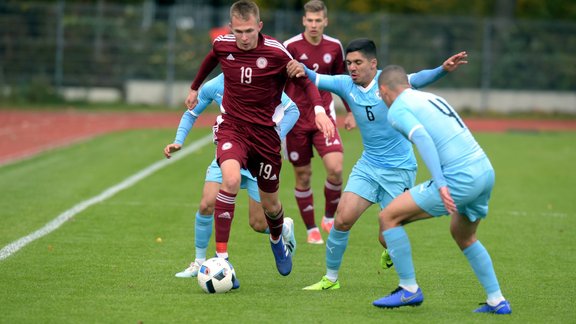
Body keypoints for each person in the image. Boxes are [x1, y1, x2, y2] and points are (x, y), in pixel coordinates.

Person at [285, 38, 468, 290]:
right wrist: (298, 66)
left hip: (399, 169)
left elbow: (418, 78)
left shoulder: (388, 82)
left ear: (373, 64)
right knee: (342, 220)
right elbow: (313, 77)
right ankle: (331, 279)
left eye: (358, 62)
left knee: (386, 237)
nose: (352, 67)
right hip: (368, 166)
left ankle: (396, 264)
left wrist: (442, 69)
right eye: (349, 62)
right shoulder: (344, 84)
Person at [184, 0, 334, 277]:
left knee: (271, 208)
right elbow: (210, 61)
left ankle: (278, 239)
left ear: (259, 27)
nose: (243, 37)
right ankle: (222, 260)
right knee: (228, 181)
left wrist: (319, 110)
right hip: (233, 129)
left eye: (249, 31)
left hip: (265, 137)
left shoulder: (277, 52)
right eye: (238, 31)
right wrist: (195, 88)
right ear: (230, 28)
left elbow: (304, 81)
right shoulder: (223, 45)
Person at [372, 64, 511, 314]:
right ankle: (496, 300)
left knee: (388, 216)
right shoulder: (431, 96)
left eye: (380, 96)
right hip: (484, 170)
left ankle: (408, 289)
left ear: (384, 91)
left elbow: (423, 137)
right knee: (464, 235)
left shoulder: (398, 109)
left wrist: (441, 182)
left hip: (459, 177)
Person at [164, 73, 299, 284]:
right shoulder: (213, 86)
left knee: (258, 223)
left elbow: (292, 110)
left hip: (259, 154)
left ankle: (284, 228)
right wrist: (178, 140)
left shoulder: (261, 80)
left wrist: (275, 136)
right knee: (206, 204)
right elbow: (191, 114)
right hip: (230, 151)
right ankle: (200, 262)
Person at [283, 0, 353, 244]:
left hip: (324, 115)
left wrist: (351, 111)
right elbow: (279, 81)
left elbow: (342, 81)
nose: (313, 25)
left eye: (318, 20)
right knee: (303, 175)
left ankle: (329, 218)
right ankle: (311, 228)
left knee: (335, 168)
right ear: (304, 21)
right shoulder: (290, 46)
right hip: (295, 120)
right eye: (309, 20)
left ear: (325, 21)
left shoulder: (334, 47)